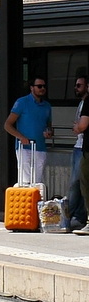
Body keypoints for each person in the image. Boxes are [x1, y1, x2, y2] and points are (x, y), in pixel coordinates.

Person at [4, 78, 54, 188]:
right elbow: (7, 125)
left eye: (44, 86)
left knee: (38, 182)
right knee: (25, 182)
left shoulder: (47, 106)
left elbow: (48, 126)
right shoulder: (22, 102)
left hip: (40, 147)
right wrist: (21, 137)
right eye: (39, 86)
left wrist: (49, 132)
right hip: (25, 147)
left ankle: (36, 204)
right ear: (32, 88)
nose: (42, 88)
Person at [66, 76, 89, 230]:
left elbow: (81, 126)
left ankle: (74, 217)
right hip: (79, 146)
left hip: (84, 147)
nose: (76, 88)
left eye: (79, 85)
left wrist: (77, 128)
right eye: (76, 85)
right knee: (78, 183)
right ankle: (75, 217)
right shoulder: (82, 103)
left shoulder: (87, 102)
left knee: (79, 183)